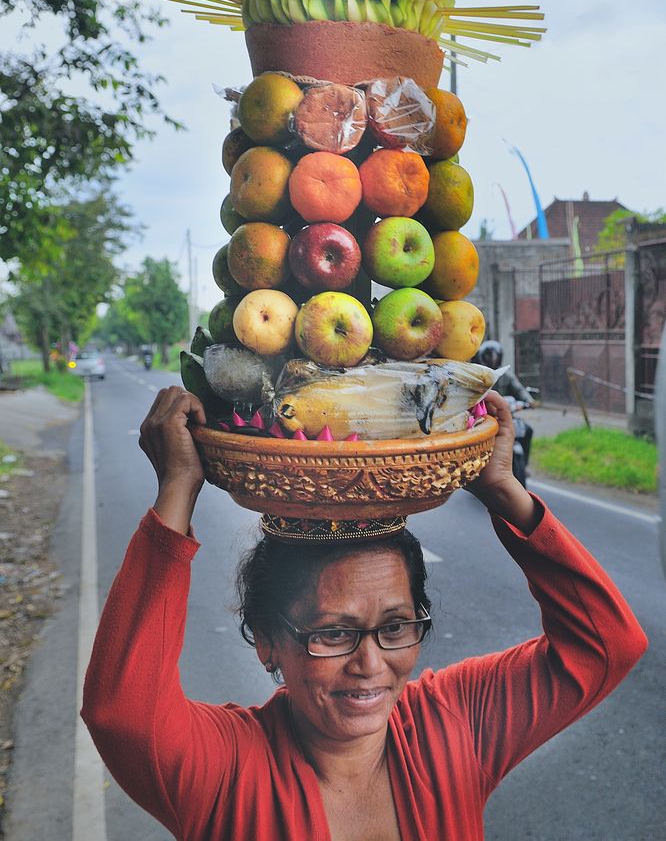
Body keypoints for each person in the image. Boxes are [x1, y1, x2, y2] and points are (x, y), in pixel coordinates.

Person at [82, 387, 647, 841]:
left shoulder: (453, 726)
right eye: (334, 632)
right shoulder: (227, 771)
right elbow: (121, 713)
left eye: (396, 627)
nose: (371, 664)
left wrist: (502, 491)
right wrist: (178, 489)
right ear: (266, 641)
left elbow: (606, 646)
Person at [476, 339, 535, 466]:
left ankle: (524, 464)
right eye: (489, 356)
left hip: (507, 416)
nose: (492, 359)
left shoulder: (506, 375)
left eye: (495, 355)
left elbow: (520, 390)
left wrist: (529, 401)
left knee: (528, 430)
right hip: (485, 418)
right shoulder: (479, 376)